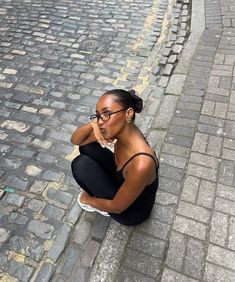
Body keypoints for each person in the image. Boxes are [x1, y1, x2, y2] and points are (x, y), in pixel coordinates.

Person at [71, 89, 159, 226]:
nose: (100, 121)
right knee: (87, 148)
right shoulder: (122, 129)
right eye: (98, 116)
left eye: (107, 114)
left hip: (130, 212)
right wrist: (92, 125)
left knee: (80, 165)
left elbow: (117, 207)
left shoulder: (142, 163)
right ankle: (105, 195)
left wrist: (88, 199)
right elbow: (78, 141)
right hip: (123, 182)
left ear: (128, 113)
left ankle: (103, 205)